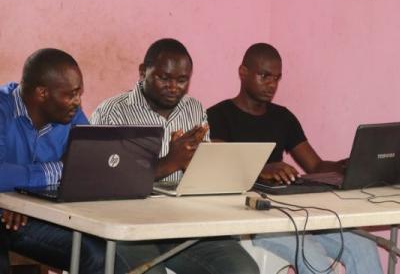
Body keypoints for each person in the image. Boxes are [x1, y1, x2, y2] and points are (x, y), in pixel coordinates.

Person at [207, 43, 384, 274]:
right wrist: (263, 169)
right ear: (243, 72)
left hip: (296, 213)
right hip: (255, 220)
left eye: (277, 78)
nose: (272, 84)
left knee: (364, 247)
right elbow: (220, 165)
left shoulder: (283, 117)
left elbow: (315, 166)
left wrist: (346, 165)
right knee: (315, 261)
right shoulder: (218, 116)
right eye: (264, 76)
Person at [90, 38, 259, 274]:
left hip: (184, 223)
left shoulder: (194, 108)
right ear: (142, 72)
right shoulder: (113, 111)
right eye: (164, 78)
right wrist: (170, 163)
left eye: (182, 80)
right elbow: (102, 183)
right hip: (129, 225)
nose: (173, 87)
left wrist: (196, 165)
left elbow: (204, 180)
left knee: (243, 270)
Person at [0, 48, 105, 274]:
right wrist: (58, 170)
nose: (77, 102)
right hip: (8, 216)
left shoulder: (70, 113)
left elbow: (90, 163)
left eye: (79, 93)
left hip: (38, 214)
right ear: (42, 93)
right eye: (71, 94)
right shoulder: (2, 109)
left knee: (100, 253)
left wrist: (20, 194)